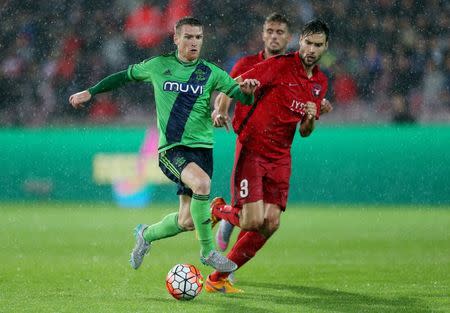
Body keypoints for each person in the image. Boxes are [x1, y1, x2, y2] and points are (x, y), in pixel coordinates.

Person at [69, 17, 260, 273]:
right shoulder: (159, 65)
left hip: (203, 151)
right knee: (202, 184)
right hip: (172, 149)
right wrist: (91, 92)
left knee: (187, 220)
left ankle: (146, 235)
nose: (194, 43)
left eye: (198, 37)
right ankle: (208, 252)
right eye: (189, 37)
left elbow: (242, 98)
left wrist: (247, 90)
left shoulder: (210, 72)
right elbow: (124, 77)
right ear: (176, 38)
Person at [206, 18, 332, 293]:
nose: (311, 49)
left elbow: (306, 131)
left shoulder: (320, 82)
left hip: (281, 156)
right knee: (251, 220)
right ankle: (217, 209)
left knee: (271, 223)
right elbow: (235, 82)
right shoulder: (280, 65)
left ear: (325, 47)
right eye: (308, 43)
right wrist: (220, 111)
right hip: (253, 149)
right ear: (300, 42)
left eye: (318, 45)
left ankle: (218, 278)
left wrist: (311, 117)